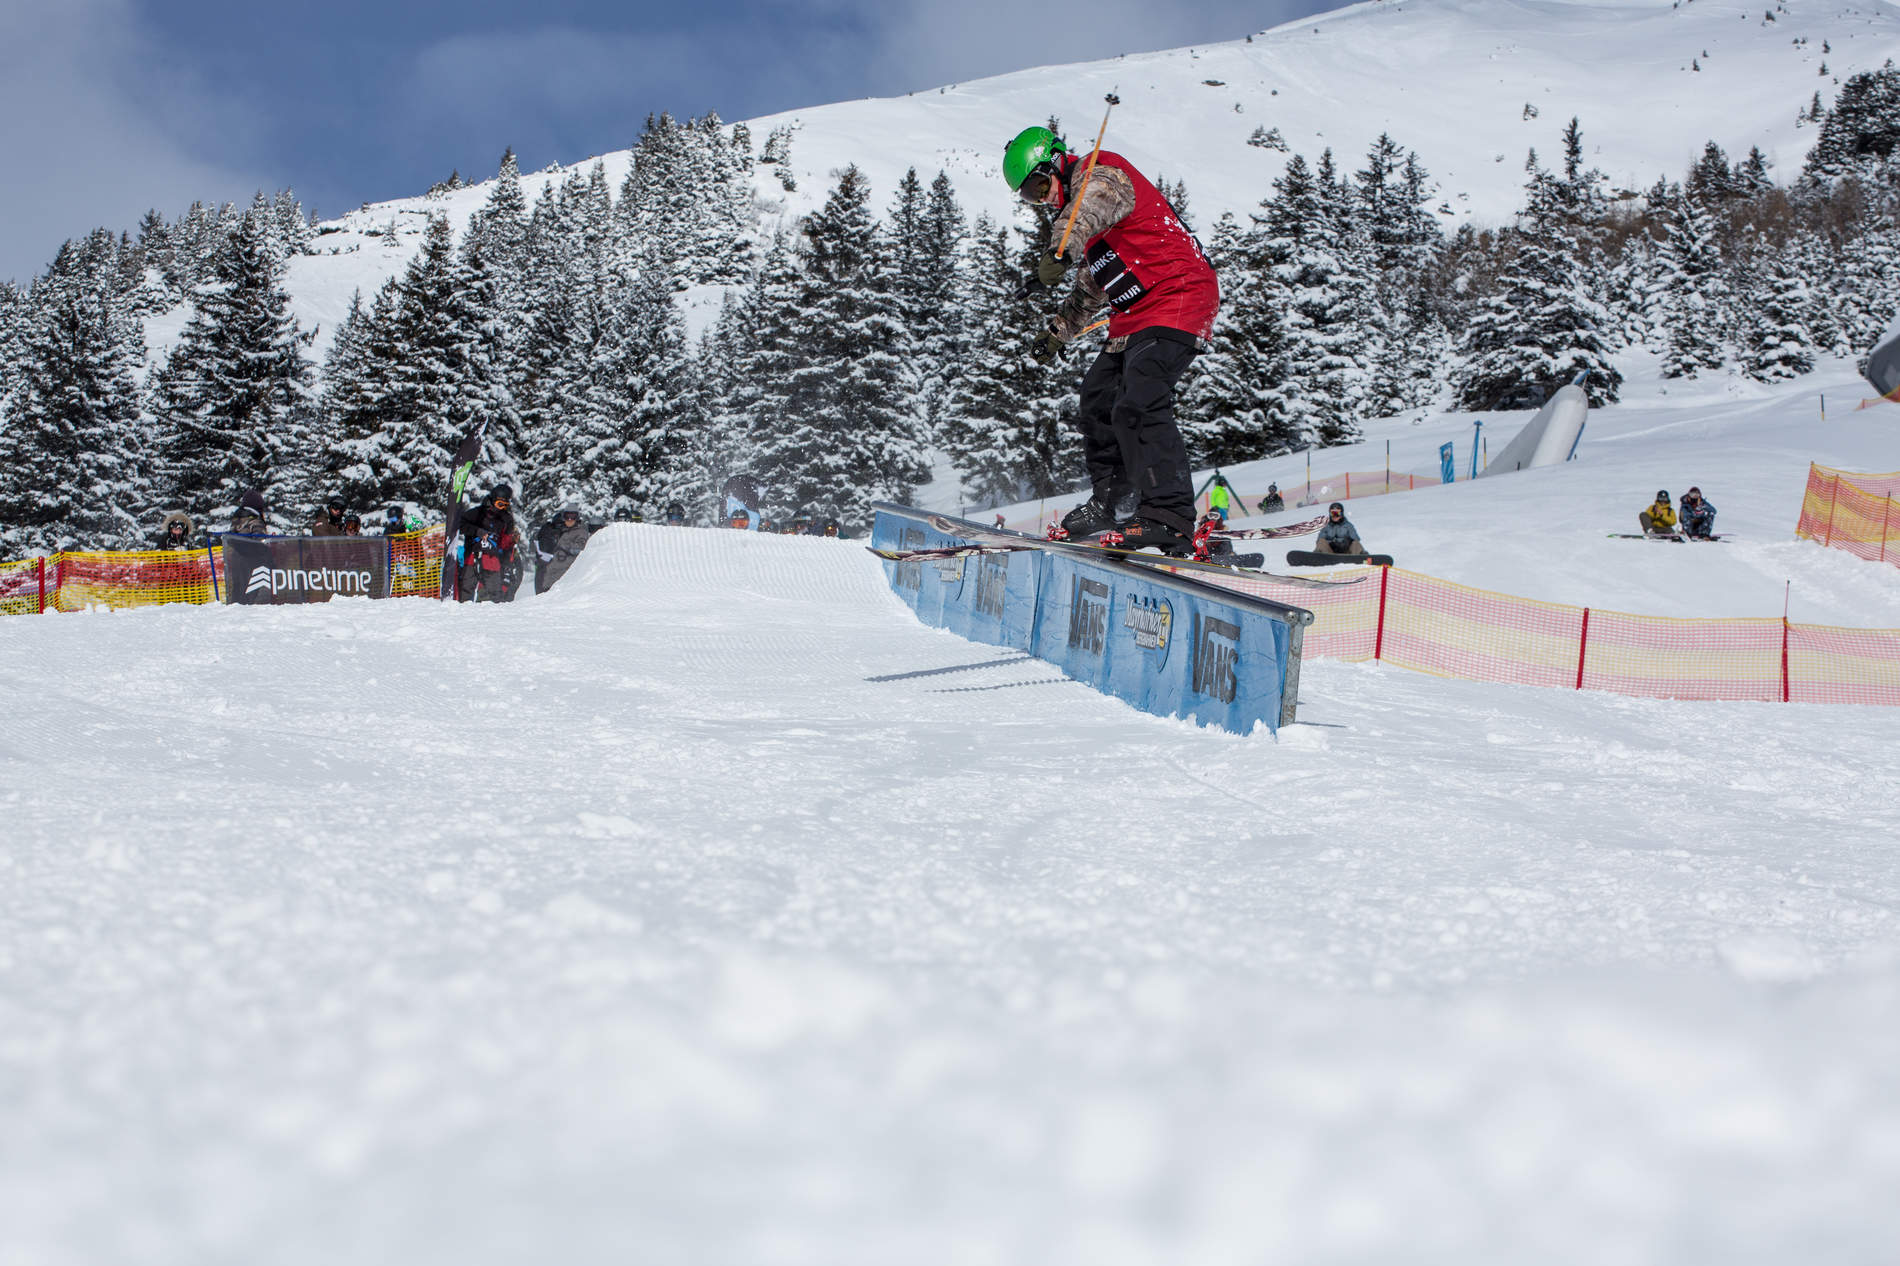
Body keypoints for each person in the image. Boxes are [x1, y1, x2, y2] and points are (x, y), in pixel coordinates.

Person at [1005, 123, 1219, 555]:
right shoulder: (1094, 235)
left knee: (1138, 402)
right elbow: (1089, 289)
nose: (1043, 197)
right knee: (1098, 399)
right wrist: (1056, 333)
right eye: (1031, 195)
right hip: (1135, 314)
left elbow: (1083, 210)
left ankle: (1171, 515)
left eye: (1041, 184)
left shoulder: (1103, 174)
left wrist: (1057, 251)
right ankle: (1115, 502)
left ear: (1057, 163)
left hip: (1178, 293)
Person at [458, 484, 521, 603]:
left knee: (494, 595)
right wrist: (477, 531)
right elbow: (459, 525)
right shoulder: (478, 513)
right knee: (465, 591)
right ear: (492, 500)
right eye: (499, 504)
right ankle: (462, 614)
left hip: (492, 559)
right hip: (473, 556)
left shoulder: (506, 519)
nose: (501, 508)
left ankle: (491, 617)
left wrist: (508, 555)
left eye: (505, 505)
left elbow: (505, 543)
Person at [534, 505, 591, 594]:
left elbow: (581, 548)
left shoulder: (580, 531)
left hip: (567, 572)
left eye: (572, 517)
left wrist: (564, 546)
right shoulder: (560, 530)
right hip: (551, 573)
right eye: (567, 517)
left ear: (577, 518)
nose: (569, 520)